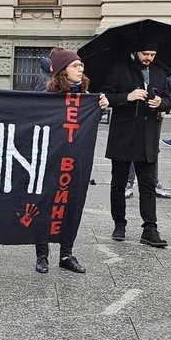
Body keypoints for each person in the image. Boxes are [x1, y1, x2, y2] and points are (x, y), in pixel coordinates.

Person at [34, 48, 108, 275]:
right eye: (75, 66)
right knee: (45, 205)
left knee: (72, 205)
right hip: (50, 161)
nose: (81, 68)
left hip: (75, 162)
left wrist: (103, 103)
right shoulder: (47, 96)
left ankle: (66, 254)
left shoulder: (86, 97)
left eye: (81, 65)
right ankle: (42, 255)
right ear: (62, 71)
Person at [105, 43, 171, 248]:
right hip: (123, 134)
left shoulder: (161, 70)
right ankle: (119, 224)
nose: (149, 58)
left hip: (148, 135)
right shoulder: (119, 68)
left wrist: (161, 103)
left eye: (153, 54)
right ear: (136, 51)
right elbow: (105, 97)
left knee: (148, 184)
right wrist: (127, 97)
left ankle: (150, 229)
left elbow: (170, 97)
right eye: (145, 53)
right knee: (118, 183)